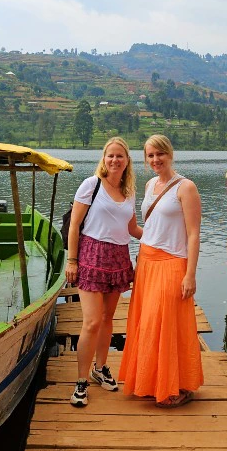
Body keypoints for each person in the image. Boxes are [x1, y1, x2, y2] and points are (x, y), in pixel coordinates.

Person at [119, 134, 203, 408]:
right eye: (150, 155)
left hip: (172, 264)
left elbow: (193, 234)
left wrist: (190, 274)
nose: (155, 160)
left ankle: (178, 385)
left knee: (168, 324)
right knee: (148, 324)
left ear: (170, 155)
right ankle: (151, 382)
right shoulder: (149, 185)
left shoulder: (186, 187)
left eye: (160, 154)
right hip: (146, 262)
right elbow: (150, 229)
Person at [67, 137, 142, 407]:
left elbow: (133, 230)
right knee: (92, 322)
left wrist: (163, 236)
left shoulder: (129, 191)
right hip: (91, 255)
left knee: (108, 318)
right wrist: (72, 260)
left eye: (119, 156)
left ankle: (100, 368)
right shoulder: (91, 184)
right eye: (110, 155)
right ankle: (80, 381)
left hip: (119, 258)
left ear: (127, 161)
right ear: (104, 158)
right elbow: (74, 225)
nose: (114, 160)